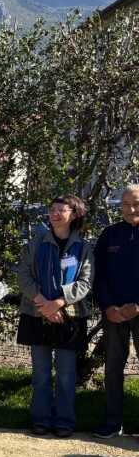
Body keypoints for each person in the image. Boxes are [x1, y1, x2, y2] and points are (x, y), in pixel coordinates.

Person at [16, 195, 93, 438]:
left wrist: (59, 303)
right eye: (52, 209)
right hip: (36, 314)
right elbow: (23, 276)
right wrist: (43, 304)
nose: (55, 213)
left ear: (74, 214)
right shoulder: (36, 243)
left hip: (69, 318)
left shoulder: (84, 248)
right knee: (40, 373)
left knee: (66, 374)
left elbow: (85, 282)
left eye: (62, 209)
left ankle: (64, 422)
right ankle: (40, 420)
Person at [93, 184, 139, 439]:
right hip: (114, 314)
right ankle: (113, 422)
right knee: (112, 369)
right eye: (126, 204)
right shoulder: (110, 234)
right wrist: (108, 306)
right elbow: (98, 276)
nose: (131, 209)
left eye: (136, 204)